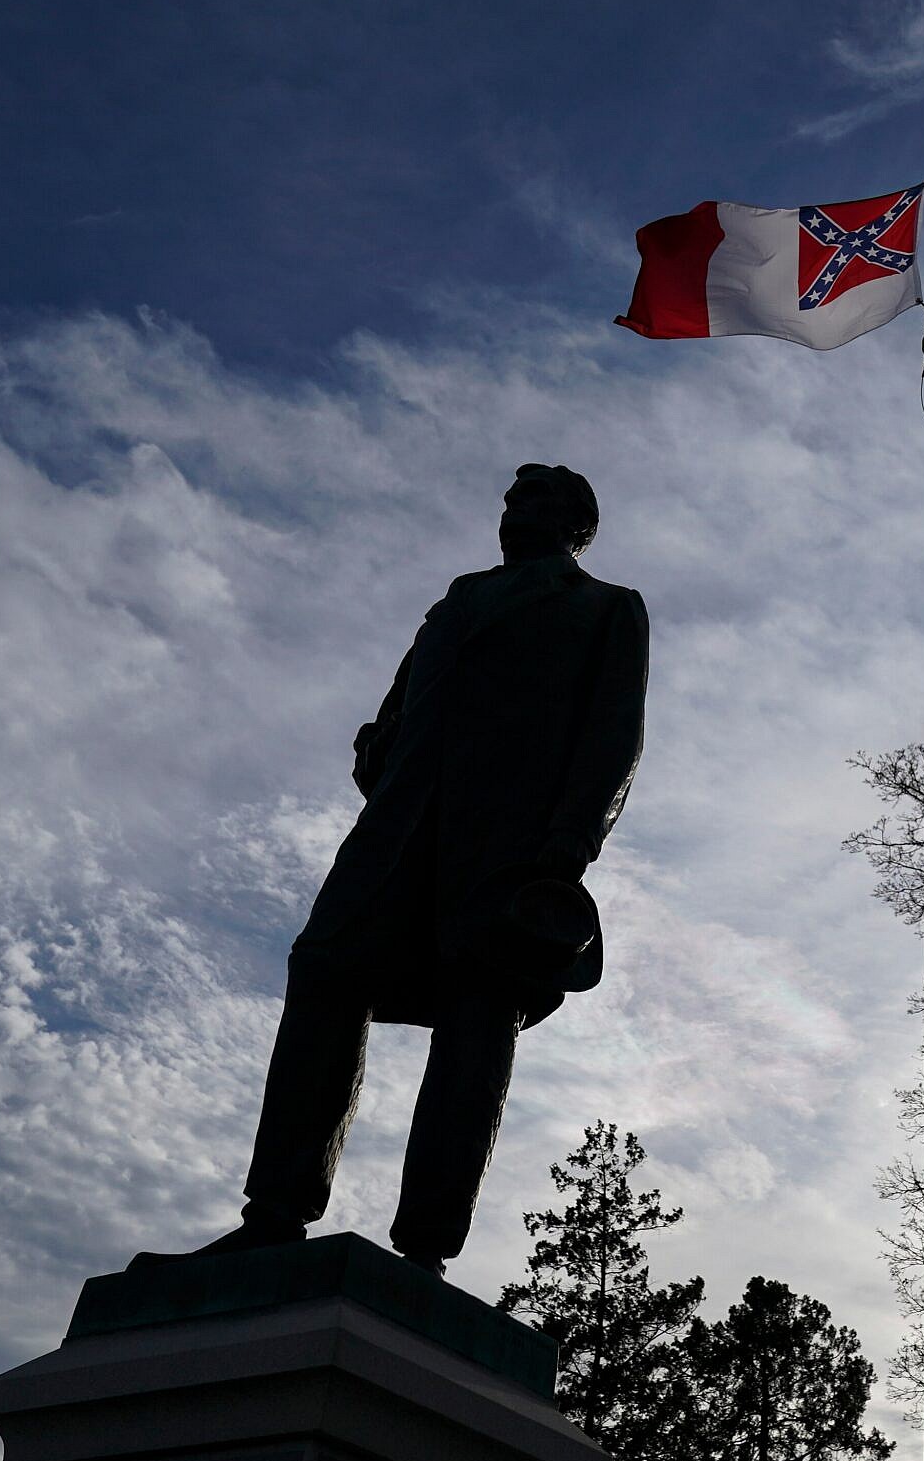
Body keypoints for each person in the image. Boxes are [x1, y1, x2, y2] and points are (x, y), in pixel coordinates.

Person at [133, 463, 648, 1277]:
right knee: (326, 972)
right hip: (396, 834)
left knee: (477, 1020)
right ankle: (274, 1212)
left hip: (505, 850)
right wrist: (380, 747)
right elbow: (400, 705)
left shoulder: (605, 608)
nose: (514, 511)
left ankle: (426, 1250)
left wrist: (564, 848)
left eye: (537, 501)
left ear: (578, 524)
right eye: (510, 498)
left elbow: (613, 740)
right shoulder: (456, 599)